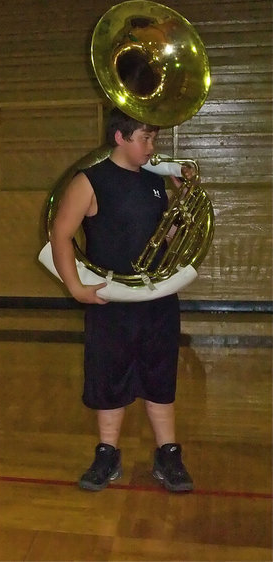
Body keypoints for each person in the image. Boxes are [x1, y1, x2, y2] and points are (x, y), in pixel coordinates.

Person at [50, 107, 194, 493]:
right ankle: (107, 454)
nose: (152, 147)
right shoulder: (90, 181)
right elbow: (60, 234)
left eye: (154, 138)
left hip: (156, 297)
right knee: (108, 378)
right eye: (145, 138)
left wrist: (181, 206)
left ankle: (168, 454)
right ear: (120, 137)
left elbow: (162, 238)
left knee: (160, 377)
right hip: (111, 301)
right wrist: (75, 287)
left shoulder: (154, 181)